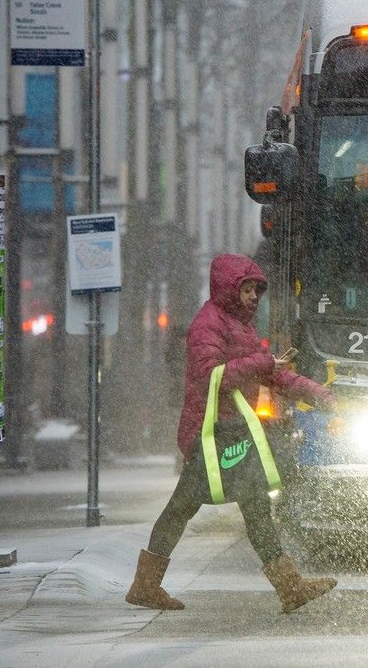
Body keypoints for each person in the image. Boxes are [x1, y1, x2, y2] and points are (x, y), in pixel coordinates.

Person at [125, 253, 339, 613]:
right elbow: (213, 375)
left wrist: (317, 394)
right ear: (228, 288)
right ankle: (145, 586)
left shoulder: (240, 325)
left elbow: (272, 374)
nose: (255, 296)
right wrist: (262, 363)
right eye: (247, 289)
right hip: (210, 435)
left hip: (232, 433)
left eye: (257, 290)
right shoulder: (208, 324)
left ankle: (289, 587)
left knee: (254, 506)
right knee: (182, 507)